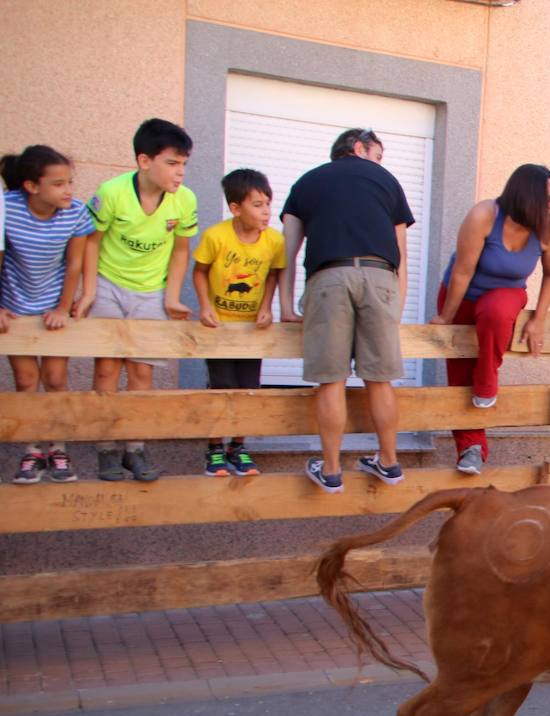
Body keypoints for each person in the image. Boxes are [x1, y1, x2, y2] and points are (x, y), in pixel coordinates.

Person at [281, 128, 415, 493]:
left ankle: (331, 470)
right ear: (359, 148)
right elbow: (401, 253)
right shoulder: (387, 181)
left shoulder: (307, 182)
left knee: (331, 379)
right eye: (378, 154)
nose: (379, 163)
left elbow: (287, 253)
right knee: (380, 378)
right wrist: (397, 305)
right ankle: (388, 461)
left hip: (329, 277)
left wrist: (285, 305)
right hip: (380, 276)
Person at [75, 118, 198, 483]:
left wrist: (172, 296)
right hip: (109, 284)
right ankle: (107, 449)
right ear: (145, 161)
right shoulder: (111, 192)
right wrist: (90, 291)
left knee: (142, 371)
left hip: (151, 290)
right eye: (172, 163)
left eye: (184, 165)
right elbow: (91, 241)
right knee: (107, 369)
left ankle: (135, 447)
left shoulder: (185, 199)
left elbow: (180, 251)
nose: (179, 173)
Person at [430, 164, 550, 476]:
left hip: (504, 295)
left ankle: (488, 383)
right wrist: (446, 318)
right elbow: (462, 272)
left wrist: (539, 320)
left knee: (497, 311)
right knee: (460, 375)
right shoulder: (484, 215)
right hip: (460, 295)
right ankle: (471, 449)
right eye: (548, 199)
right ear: (525, 195)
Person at [0, 145, 96, 483]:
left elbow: (74, 264)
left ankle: (58, 449)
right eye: (58, 184)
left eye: (70, 181)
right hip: (15, 307)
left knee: (55, 379)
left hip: (53, 307)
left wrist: (61, 308)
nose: (68, 190)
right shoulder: (6, 208)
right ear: (31, 186)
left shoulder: (76, 213)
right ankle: (31, 453)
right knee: (26, 381)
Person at [191, 168, 285, 478]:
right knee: (221, 388)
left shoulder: (274, 240)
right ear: (235, 208)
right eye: (257, 204)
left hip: (251, 331)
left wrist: (267, 307)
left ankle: (239, 447)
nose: (266, 211)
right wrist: (205, 307)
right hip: (220, 328)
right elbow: (200, 271)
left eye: (268, 203)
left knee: (248, 390)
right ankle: (215, 448)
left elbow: (273, 274)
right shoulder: (216, 236)